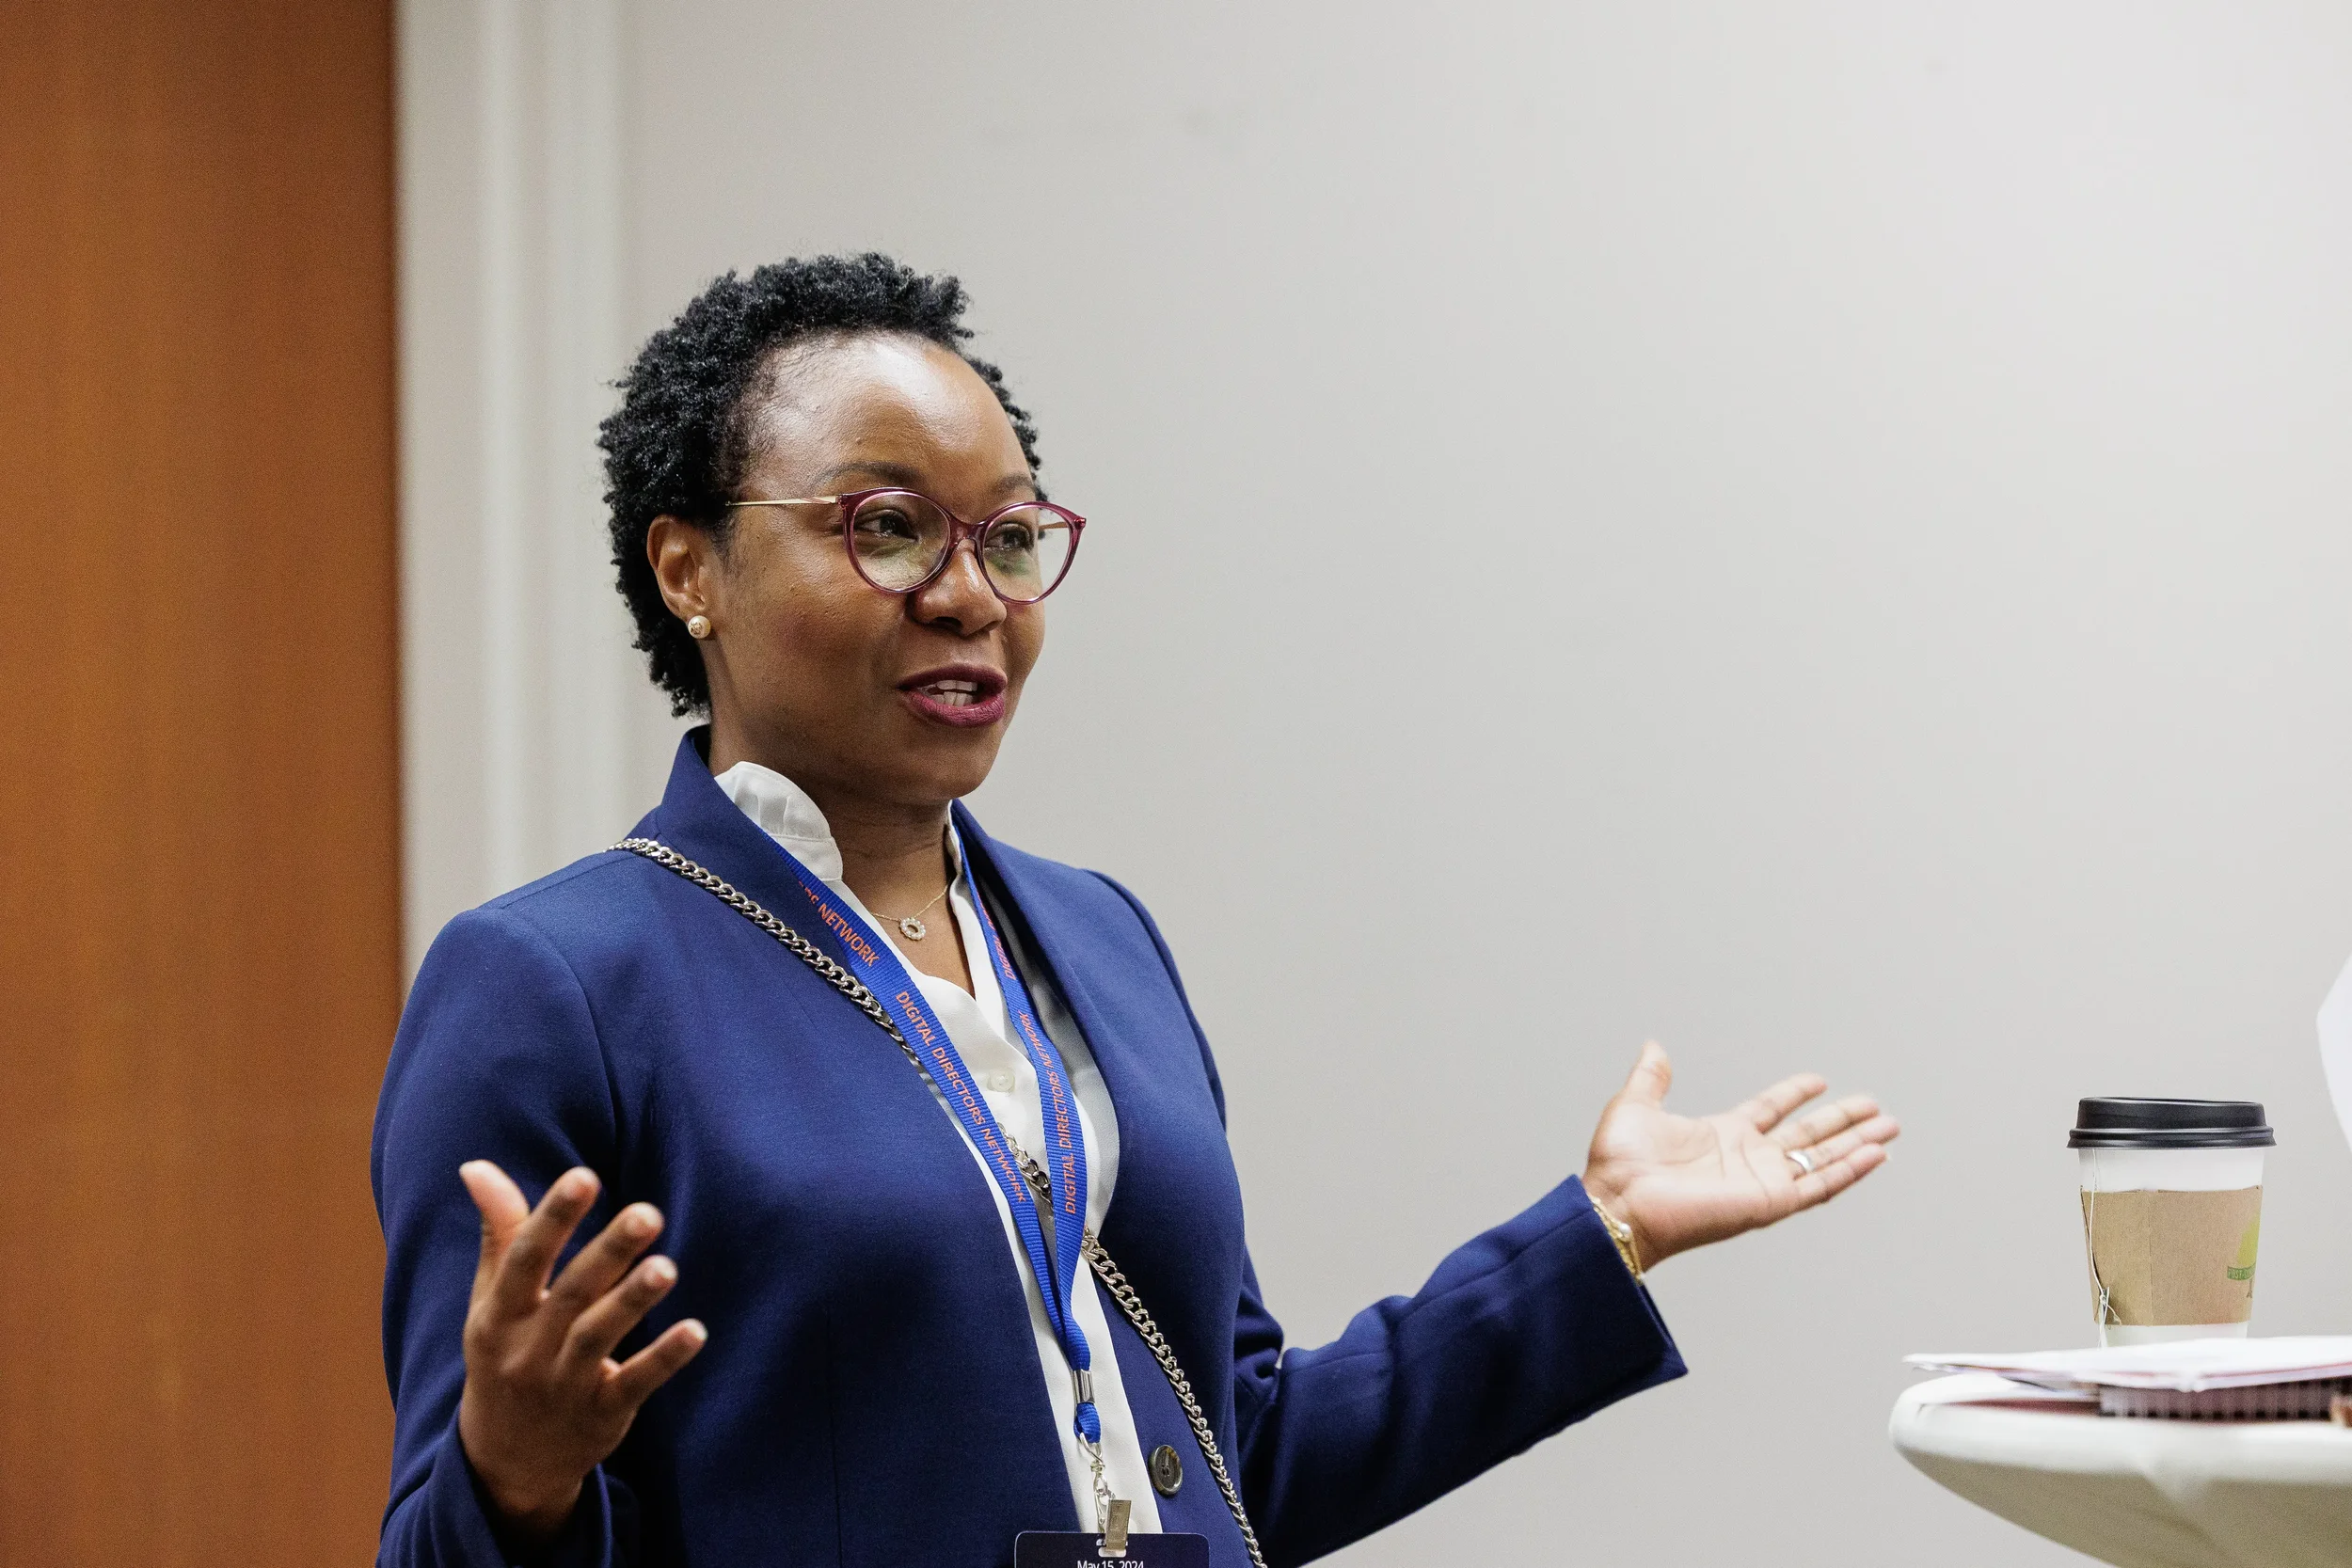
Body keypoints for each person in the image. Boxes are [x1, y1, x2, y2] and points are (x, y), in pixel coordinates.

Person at [372, 253, 1899, 1568]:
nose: (971, 594)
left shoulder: (1098, 938)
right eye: (888, 527)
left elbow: (1250, 1455)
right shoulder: (554, 982)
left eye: (1011, 536)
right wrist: (517, 1473)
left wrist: (1603, 1237)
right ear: (689, 568)